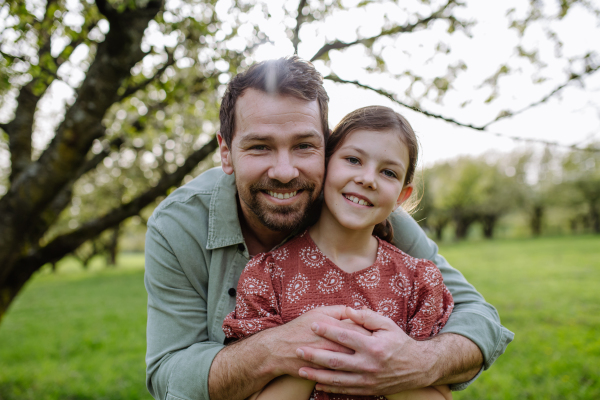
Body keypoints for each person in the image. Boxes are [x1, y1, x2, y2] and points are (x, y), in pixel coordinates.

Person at [144, 56, 514, 400]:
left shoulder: (363, 207)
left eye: (304, 146)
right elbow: (168, 371)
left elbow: (477, 317)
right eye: (260, 147)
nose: (285, 172)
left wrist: (414, 363)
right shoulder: (178, 225)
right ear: (226, 152)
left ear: (326, 148)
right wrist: (279, 349)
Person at [223, 105, 454, 400]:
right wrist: (324, 346)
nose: (368, 179)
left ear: (402, 196)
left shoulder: (419, 281)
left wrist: (380, 359)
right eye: (354, 160)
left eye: (388, 172)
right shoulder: (266, 275)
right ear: (325, 164)